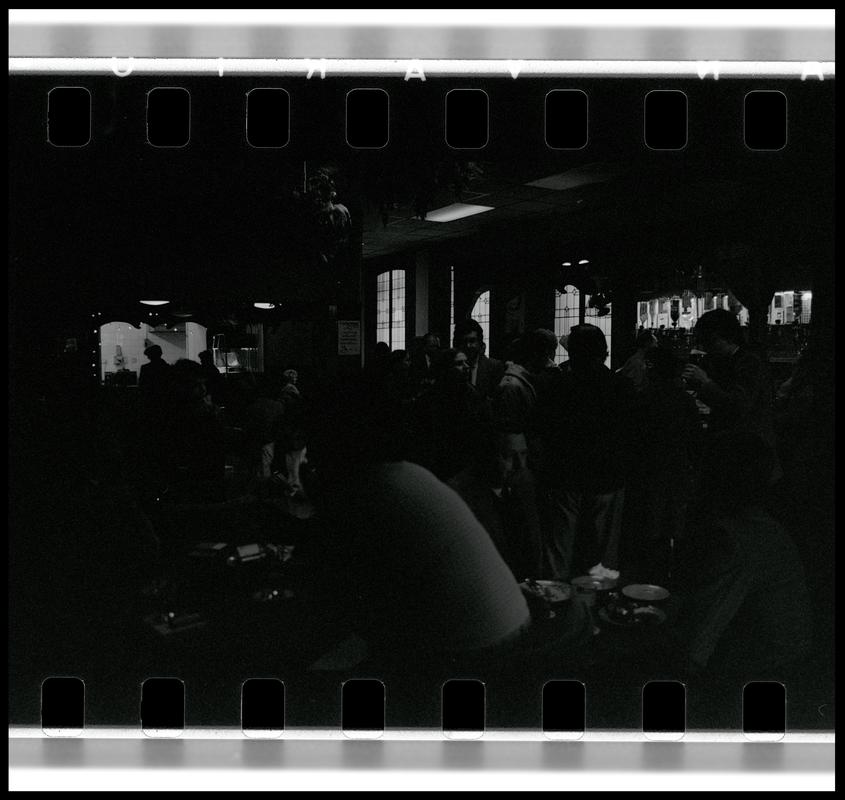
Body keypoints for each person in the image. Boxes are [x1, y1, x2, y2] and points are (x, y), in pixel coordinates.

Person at [672, 431, 812, 682]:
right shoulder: (762, 525)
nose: (692, 479)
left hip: (765, 674)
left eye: (700, 470)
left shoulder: (735, 539)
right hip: (783, 660)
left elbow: (698, 644)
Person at [536, 324, 637, 582]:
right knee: (602, 555)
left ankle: (553, 603)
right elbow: (630, 433)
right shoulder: (620, 386)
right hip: (607, 476)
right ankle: (600, 605)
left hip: (564, 476)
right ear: (603, 352)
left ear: (573, 353)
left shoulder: (558, 385)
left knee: (559, 549)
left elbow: (544, 430)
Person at [681, 309, 778, 460]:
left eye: (710, 341)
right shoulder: (723, 361)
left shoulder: (750, 362)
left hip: (751, 450)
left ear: (729, 337)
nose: (706, 347)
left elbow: (737, 407)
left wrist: (705, 383)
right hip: (735, 446)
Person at [449, 427, 543, 581]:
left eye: (524, 454)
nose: (520, 464)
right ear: (488, 456)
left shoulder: (524, 483)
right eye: (508, 456)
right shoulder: (462, 494)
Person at [452, 318, 505, 398]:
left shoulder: (493, 367)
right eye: (464, 342)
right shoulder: (452, 367)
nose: (468, 346)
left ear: (480, 342)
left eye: (472, 341)